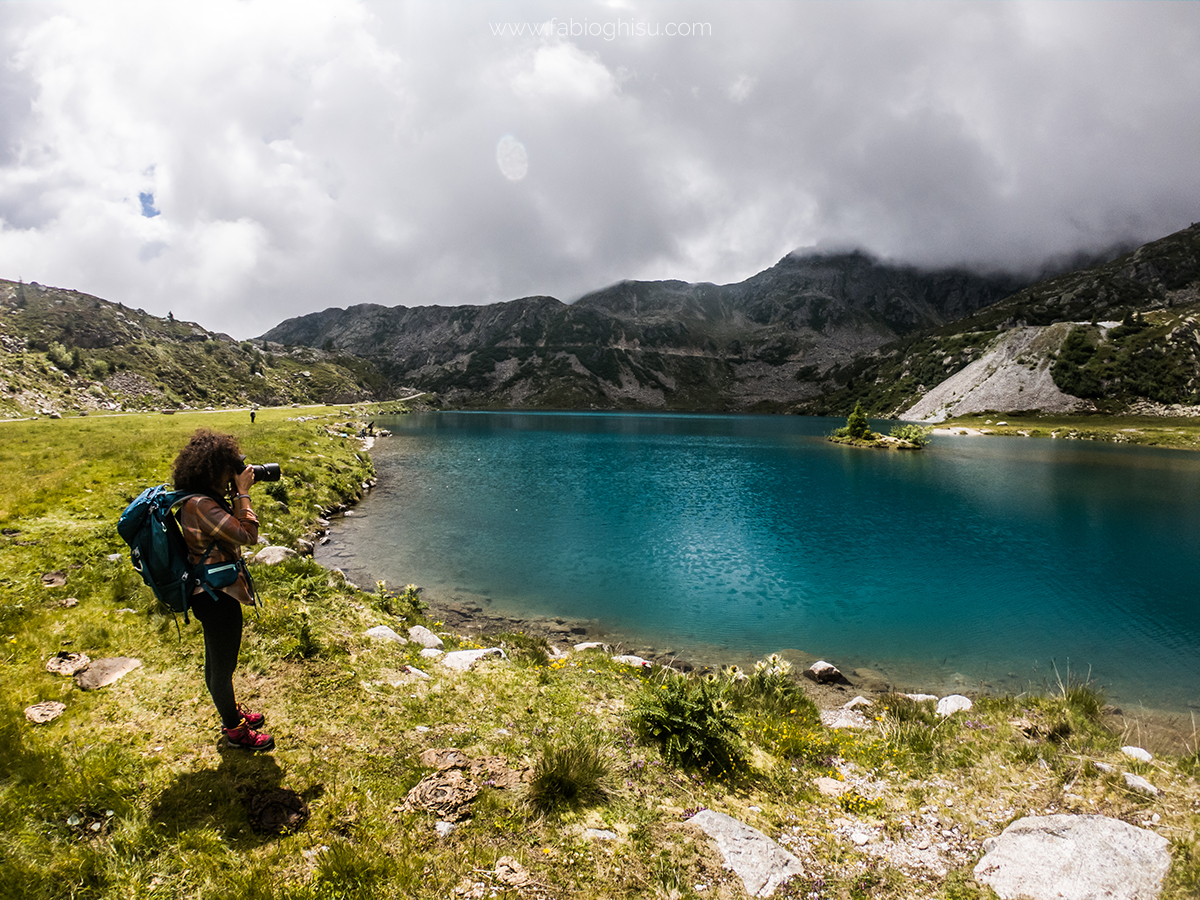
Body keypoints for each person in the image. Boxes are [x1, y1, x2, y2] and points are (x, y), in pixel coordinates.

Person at [172, 428, 274, 752]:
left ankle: (229, 712)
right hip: (218, 596)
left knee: (216, 664)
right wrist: (243, 493)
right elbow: (247, 535)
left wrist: (232, 493)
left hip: (208, 592)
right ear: (216, 470)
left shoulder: (196, 499)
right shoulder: (201, 504)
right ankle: (235, 731)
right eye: (231, 469)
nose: (237, 474)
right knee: (222, 668)